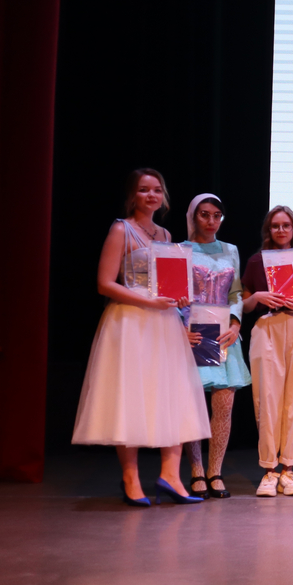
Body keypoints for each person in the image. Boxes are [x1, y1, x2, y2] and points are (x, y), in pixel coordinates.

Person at [72, 168, 208, 506]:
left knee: (172, 393)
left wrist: (178, 296)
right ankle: (131, 478)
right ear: (133, 195)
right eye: (144, 189)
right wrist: (148, 301)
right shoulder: (121, 229)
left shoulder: (165, 234)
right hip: (130, 320)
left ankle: (171, 476)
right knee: (130, 395)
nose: (152, 195)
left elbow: (167, 281)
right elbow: (105, 283)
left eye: (157, 190)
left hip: (163, 321)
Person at [241, 205, 293, 497]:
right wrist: (259, 296)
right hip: (267, 328)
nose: (281, 230)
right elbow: (245, 305)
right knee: (267, 399)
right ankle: (268, 470)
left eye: (286, 225)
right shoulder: (257, 261)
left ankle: (288, 469)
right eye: (275, 225)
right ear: (269, 230)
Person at [181, 194, 252, 499]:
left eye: (217, 215)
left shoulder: (231, 250)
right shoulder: (181, 250)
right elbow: (173, 293)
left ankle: (215, 471)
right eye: (204, 215)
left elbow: (236, 293)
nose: (211, 221)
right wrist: (180, 327)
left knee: (224, 405)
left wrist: (236, 323)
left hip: (223, 332)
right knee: (192, 405)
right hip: (193, 332)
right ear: (193, 216)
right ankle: (196, 471)